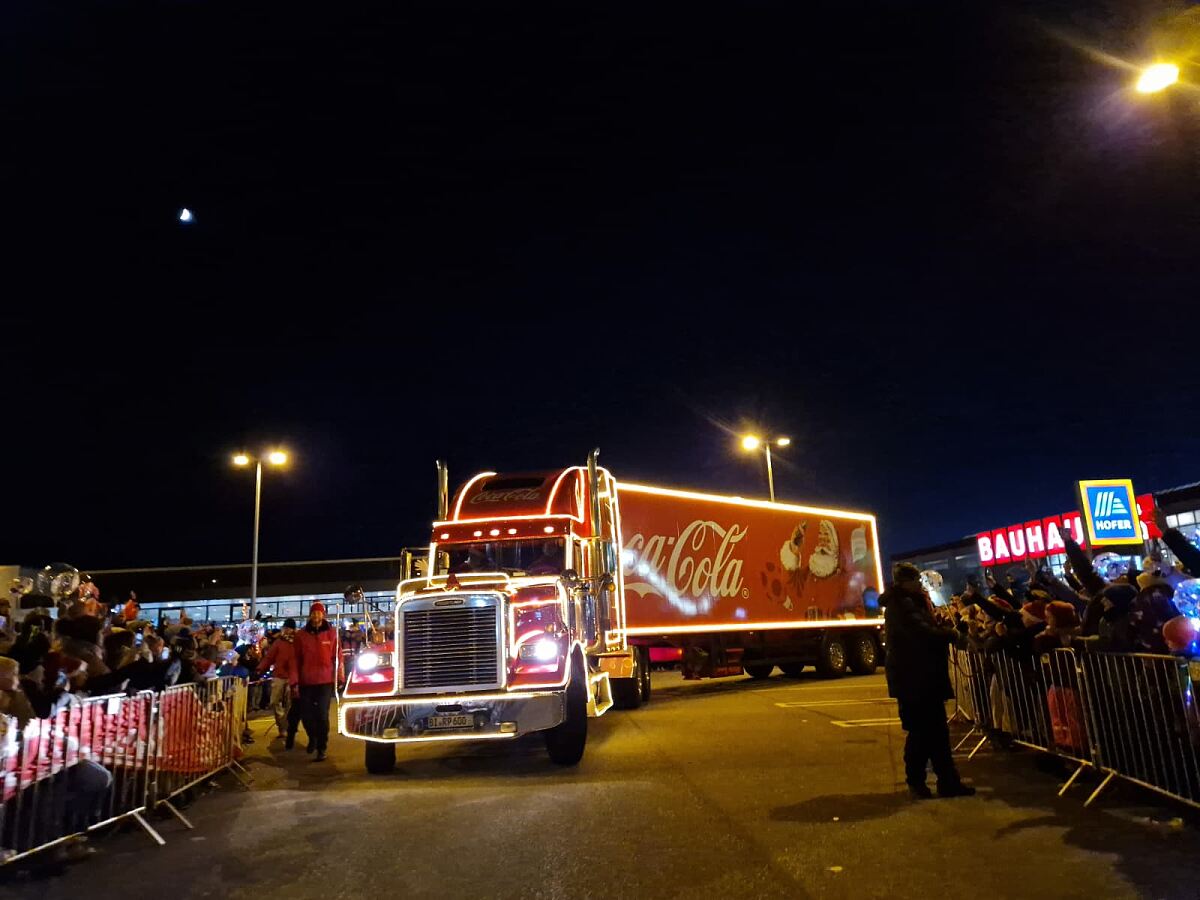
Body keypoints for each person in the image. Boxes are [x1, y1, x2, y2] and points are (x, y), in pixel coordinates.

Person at [882, 561, 975, 799]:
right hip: (916, 678)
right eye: (916, 580)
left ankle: (944, 781)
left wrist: (942, 627)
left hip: (920, 677)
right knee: (923, 733)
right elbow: (921, 633)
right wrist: (950, 635)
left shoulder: (907, 603)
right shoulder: (903, 605)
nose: (920, 584)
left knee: (933, 733)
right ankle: (920, 781)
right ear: (906, 582)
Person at [291, 602, 338, 761]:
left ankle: (321, 747)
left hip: (325, 681)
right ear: (310, 615)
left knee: (322, 715)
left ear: (323, 615)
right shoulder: (301, 635)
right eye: (314, 613)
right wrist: (294, 681)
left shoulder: (332, 634)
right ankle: (313, 737)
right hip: (306, 681)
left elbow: (337, 657)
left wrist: (339, 677)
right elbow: (295, 659)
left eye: (319, 613)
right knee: (307, 715)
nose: (316, 616)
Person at [257, 618, 301, 746]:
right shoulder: (279, 642)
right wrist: (260, 669)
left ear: (293, 629)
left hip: (293, 676)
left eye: (288, 628)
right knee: (274, 701)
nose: (286, 630)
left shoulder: (298, 642)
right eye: (285, 628)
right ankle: (282, 725)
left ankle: (286, 727)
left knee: (290, 703)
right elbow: (269, 657)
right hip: (279, 675)